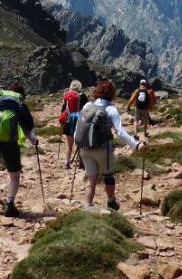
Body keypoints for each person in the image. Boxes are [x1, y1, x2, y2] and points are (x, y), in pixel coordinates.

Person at [79, 80, 145, 210]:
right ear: (111, 94)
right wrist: (136, 145)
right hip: (103, 149)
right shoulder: (111, 109)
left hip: (85, 148)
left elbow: (79, 127)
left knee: (91, 179)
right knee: (108, 176)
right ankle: (110, 202)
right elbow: (120, 132)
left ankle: (87, 206)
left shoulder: (87, 106)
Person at [0, 83, 38, 217]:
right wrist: (34, 140)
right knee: (14, 175)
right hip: (10, 143)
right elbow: (28, 129)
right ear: (21, 95)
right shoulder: (21, 106)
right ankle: (10, 204)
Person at [57, 80, 88, 169]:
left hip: (68, 121)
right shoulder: (83, 96)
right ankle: (81, 163)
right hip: (79, 122)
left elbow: (63, 110)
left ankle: (67, 162)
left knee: (69, 145)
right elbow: (86, 109)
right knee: (80, 144)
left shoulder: (67, 96)